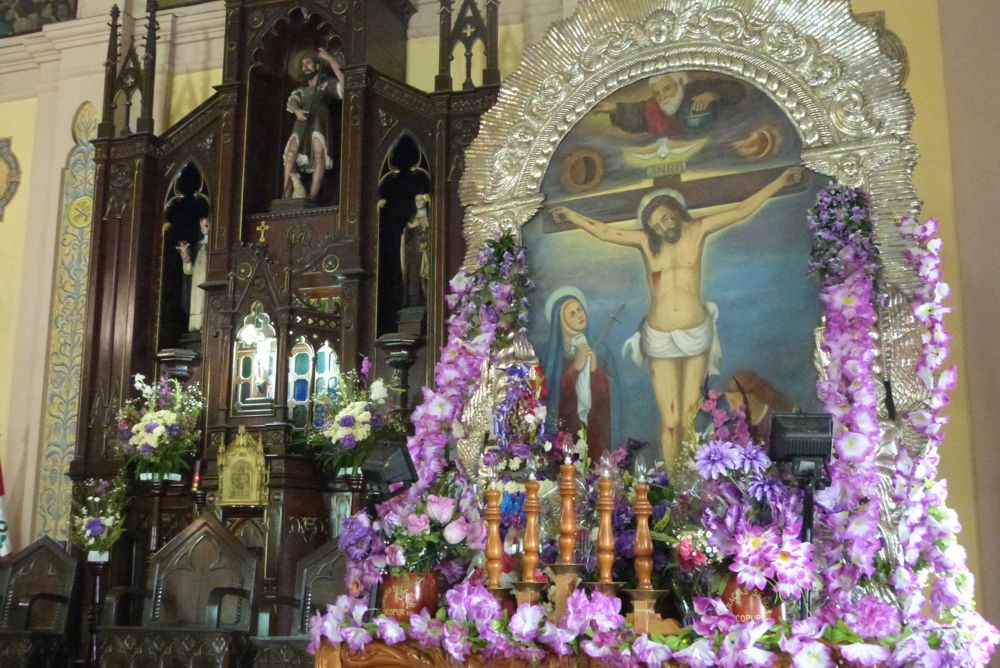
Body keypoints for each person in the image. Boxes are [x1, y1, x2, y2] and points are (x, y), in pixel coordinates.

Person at [551, 165, 802, 467]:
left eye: (667, 217)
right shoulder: (647, 243)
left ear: (676, 211)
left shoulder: (697, 230)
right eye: (656, 224)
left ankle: (687, 482)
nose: (663, 225)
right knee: (670, 419)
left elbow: (741, 210)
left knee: (688, 413)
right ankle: (673, 484)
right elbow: (606, 232)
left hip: (695, 332)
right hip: (659, 336)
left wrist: (780, 182)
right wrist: (572, 216)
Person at [542, 289, 618, 461]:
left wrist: (594, 371)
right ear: (561, 321)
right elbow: (551, 394)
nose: (579, 315)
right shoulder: (552, 355)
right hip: (566, 432)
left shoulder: (601, 351)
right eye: (572, 313)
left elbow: (611, 395)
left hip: (596, 429)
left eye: (580, 310)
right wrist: (575, 367)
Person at [595, 72, 745, 138]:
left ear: (679, 83)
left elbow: (737, 90)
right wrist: (615, 109)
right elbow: (638, 113)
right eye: (658, 94)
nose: (663, 97)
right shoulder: (654, 109)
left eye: (667, 89)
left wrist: (713, 94)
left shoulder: (697, 89)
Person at [282, 48, 345, 201]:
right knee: (291, 154)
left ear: (317, 66)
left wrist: (330, 60)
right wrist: (297, 110)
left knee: (319, 154)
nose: (305, 67)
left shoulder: (326, 85)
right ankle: (286, 194)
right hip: (302, 121)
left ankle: (313, 195)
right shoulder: (301, 90)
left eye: (308, 63)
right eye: (303, 65)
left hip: (319, 119)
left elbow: (345, 87)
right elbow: (292, 101)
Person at [722, 370, 793, 445]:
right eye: (729, 402)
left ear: (750, 397)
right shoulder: (734, 424)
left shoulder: (776, 420)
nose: (731, 408)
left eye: (733, 401)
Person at [176, 217, 209, 332]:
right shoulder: (197, 246)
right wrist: (184, 255)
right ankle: (197, 326)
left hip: (209, 279)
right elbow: (189, 270)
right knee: (198, 301)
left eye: (206, 225)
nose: (204, 229)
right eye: (201, 227)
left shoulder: (214, 246)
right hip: (197, 281)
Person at [401, 193, 431, 306]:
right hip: (414, 254)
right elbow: (405, 236)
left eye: (421, 200)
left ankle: (427, 299)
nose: (418, 203)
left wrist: (428, 243)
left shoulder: (431, 215)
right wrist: (409, 227)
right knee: (414, 277)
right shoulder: (412, 218)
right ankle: (414, 300)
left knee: (426, 276)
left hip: (427, 252)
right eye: (416, 201)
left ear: (425, 201)